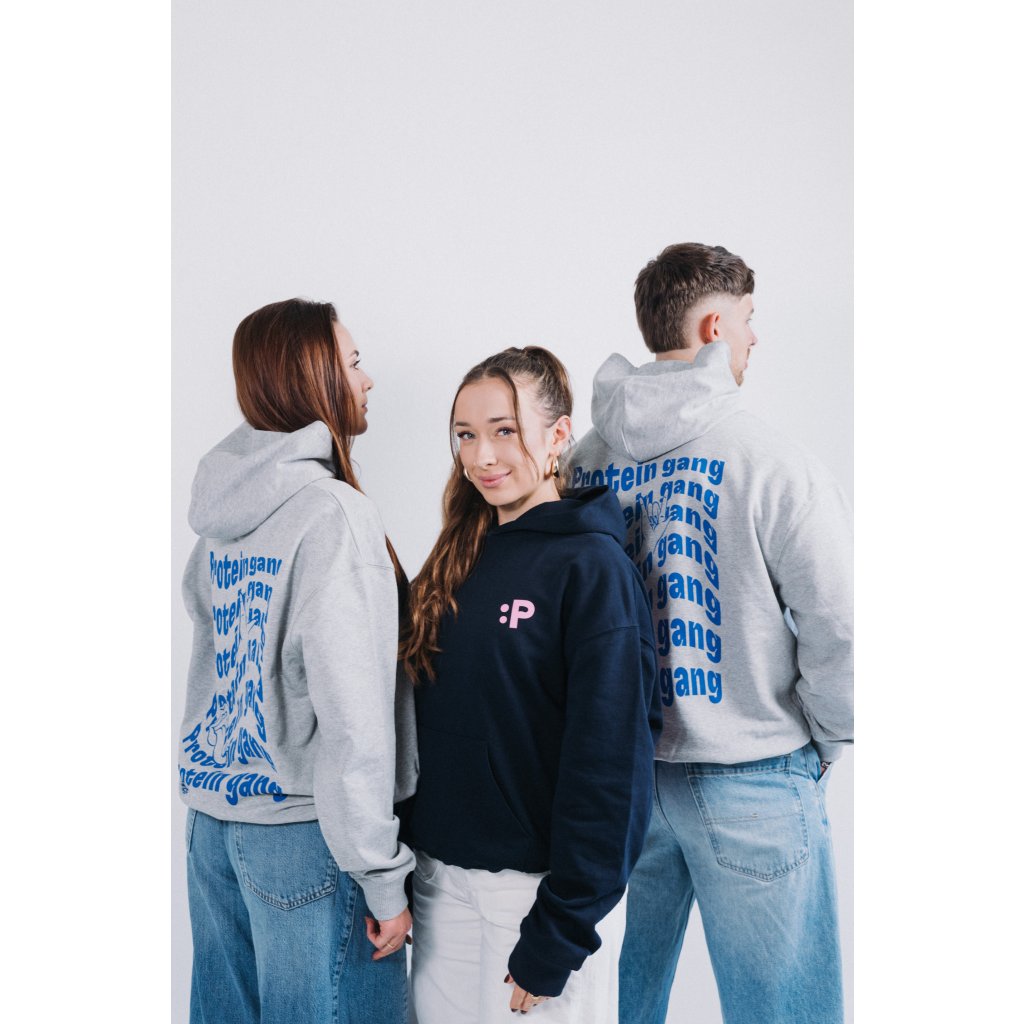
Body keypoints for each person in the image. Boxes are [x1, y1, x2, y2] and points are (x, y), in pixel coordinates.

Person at [569, 243, 853, 1024]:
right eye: (749, 320)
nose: (755, 338)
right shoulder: (768, 459)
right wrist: (827, 739)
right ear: (715, 326)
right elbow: (841, 622)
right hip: (752, 769)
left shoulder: (582, 463)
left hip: (616, 779)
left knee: (609, 1006)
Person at [398, 346, 661, 1024]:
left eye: (504, 431)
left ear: (557, 435)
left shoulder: (592, 568)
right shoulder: (456, 556)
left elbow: (612, 764)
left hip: (536, 899)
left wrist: (561, 930)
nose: (482, 456)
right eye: (466, 435)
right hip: (439, 882)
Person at [178, 298, 416, 1024]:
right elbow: (353, 716)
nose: (366, 379)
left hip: (214, 822)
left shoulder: (221, 517)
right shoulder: (333, 515)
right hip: (305, 838)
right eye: (352, 362)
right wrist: (382, 875)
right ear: (311, 378)